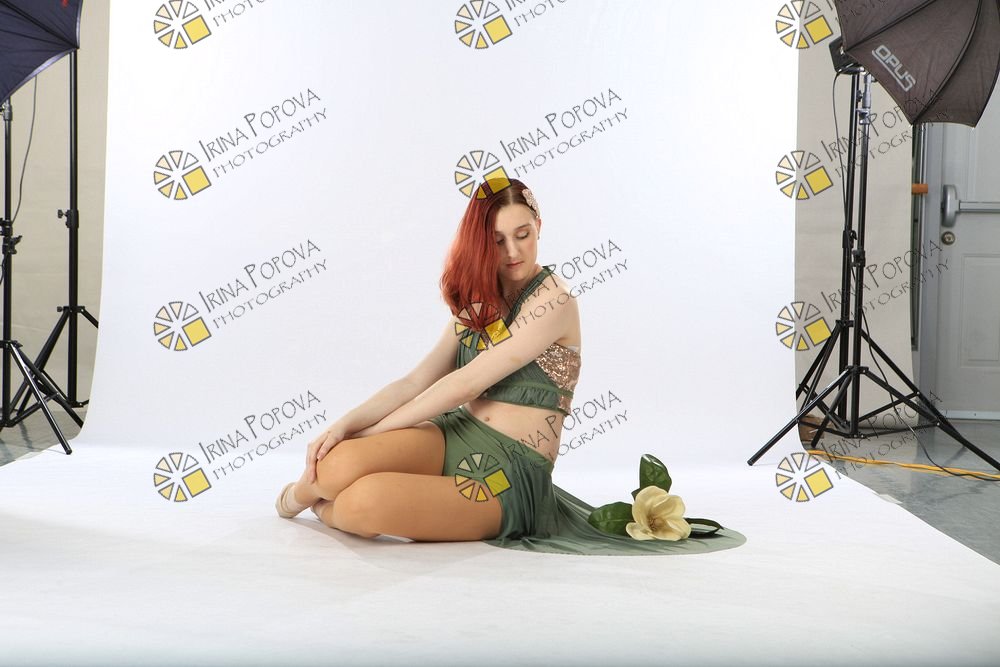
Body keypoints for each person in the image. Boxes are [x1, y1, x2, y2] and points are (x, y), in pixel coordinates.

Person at [275, 178, 744, 556]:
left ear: (539, 226)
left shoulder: (554, 300)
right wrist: (344, 427)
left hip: (507, 472)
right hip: (456, 434)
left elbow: (468, 381)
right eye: (498, 241)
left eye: (523, 235)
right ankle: (299, 497)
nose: (513, 252)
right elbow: (416, 380)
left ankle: (325, 507)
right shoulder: (480, 300)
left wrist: (376, 434)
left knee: (363, 502)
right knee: (339, 462)